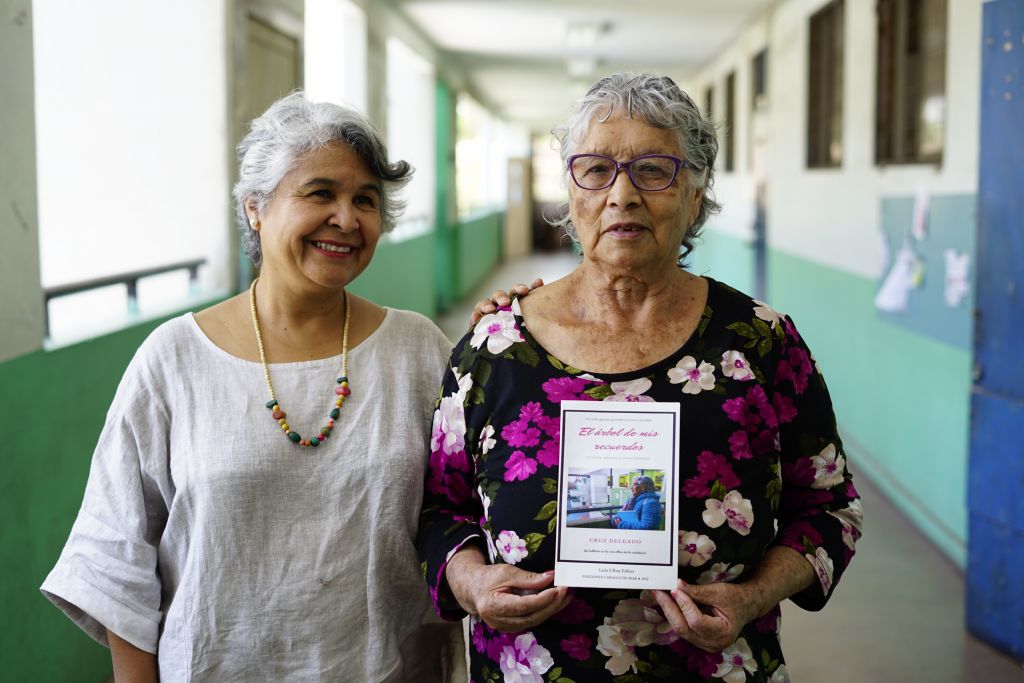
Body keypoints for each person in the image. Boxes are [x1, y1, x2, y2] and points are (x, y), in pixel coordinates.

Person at [418, 73, 863, 682]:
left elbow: (831, 510)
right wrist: (473, 582)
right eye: (596, 169)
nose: (621, 194)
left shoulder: (761, 344)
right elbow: (440, 511)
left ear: (697, 195)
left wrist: (753, 596)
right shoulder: (496, 350)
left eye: (654, 169)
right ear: (571, 193)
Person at [41, 92, 473, 681]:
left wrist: (516, 334)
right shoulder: (174, 361)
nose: (346, 219)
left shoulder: (418, 350)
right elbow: (117, 560)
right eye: (320, 193)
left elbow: (468, 509)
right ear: (255, 208)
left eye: (365, 200)